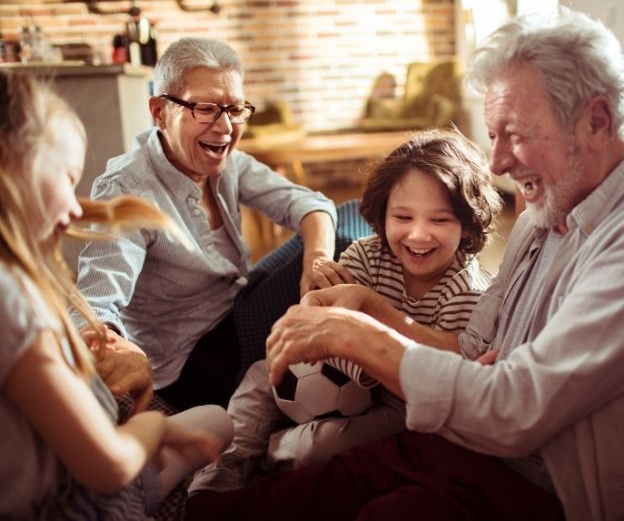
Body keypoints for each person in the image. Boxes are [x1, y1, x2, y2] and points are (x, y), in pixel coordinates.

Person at [185, 7, 624, 521]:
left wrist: (356, 333)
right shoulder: (542, 216)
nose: (496, 163)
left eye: (515, 134)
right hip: (479, 445)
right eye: (493, 135)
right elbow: (473, 352)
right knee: (321, 486)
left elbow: (516, 406)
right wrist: (370, 307)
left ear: (597, 120)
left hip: (552, 491)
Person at [188, 128, 503, 494]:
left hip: (400, 402)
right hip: (336, 371)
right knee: (262, 373)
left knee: (318, 448)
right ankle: (226, 464)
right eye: (403, 217)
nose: (418, 235)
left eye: (439, 220)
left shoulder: (469, 290)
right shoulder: (365, 255)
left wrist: (367, 333)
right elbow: (316, 307)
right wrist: (317, 314)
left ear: (467, 224)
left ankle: (275, 455)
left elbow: (446, 370)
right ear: (382, 214)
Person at [0, 72, 234, 520]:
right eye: (67, 179)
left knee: (216, 421)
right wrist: (152, 430)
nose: (73, 207)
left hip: (75, 468)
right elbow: (109, 465)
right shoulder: (12, 299)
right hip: (76, 501)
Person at [72, 37, 342, 411]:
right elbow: (95, 302)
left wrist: (316, 259)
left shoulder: (228, 164)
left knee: (340, 227)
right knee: (347, 238)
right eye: (206, 109)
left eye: (234, 109)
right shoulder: (128, 189)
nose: (225, 127)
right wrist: (115, 352)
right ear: (159, 111)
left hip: (236, 309)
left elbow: (310, 204)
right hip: (188, 363)